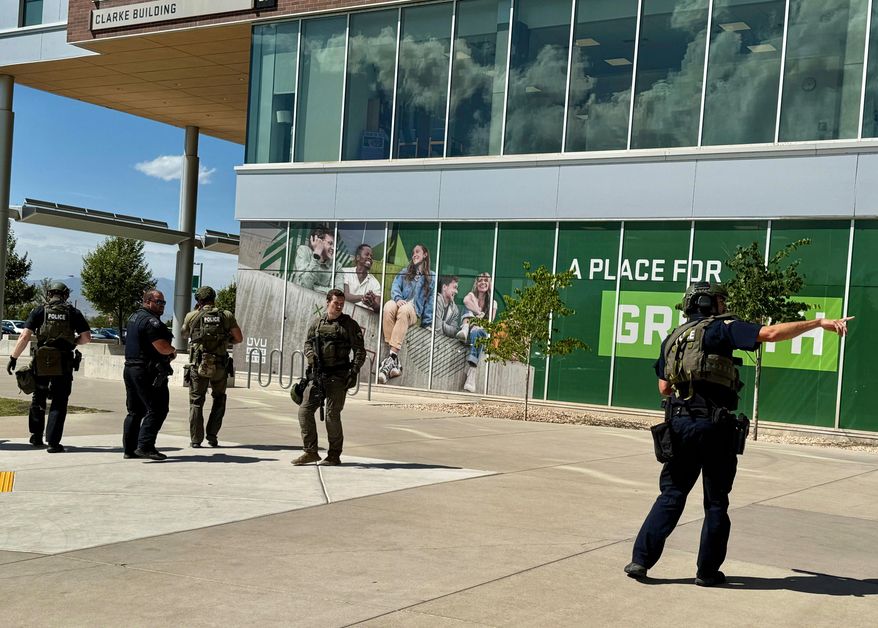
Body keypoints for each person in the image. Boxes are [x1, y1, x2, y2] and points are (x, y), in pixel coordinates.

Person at [625, 282, 853, 587]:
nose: (723, 305)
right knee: (716, 501)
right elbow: (770, 334)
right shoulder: (720, 329)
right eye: (719, 300)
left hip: (678, 424)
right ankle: (707, 572)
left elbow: (664, 387)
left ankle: (640, 561)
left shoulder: (673, 338)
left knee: (672, 494)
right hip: (713, 425)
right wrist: (818, 323)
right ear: (706, 302)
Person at [5, 282, 91, 452]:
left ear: (49, 293)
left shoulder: (39, 310)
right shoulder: (73, 312)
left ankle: (36, 436)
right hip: (63, 362)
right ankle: (53, 442)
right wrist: (72, 342)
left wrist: (13, 357)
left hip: (41, 362)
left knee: (38, 397)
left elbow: (24, 336)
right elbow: (87, 337)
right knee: (59, 401)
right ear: (65, 295)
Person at [293, 288, 366, 466]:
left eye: (342, 303)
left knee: (333, 415)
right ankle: (310, 451)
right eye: (336, 303)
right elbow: (308, 343)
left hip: (338, 376)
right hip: (318, 376)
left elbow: (359, 351)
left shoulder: (349, 325)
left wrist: (354, 371)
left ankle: (334, 455)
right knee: (304, 411)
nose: (339, 306)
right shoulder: (317, 323)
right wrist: (311, 356)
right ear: (328, 303)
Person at [182, 286, 243, 448]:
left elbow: (183, 335)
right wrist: (224, 340)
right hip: (220, 366)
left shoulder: (192, 316)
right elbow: (238, 338)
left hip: (199, 365)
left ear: (198, 300)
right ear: (214, 298)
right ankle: (212, 435)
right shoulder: (225, 315)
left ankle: (196, 439)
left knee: (196, 401)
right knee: (219, 398)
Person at [122, 290, 177, 461]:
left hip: (131, 368)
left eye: (163, 303)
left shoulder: (134, 317)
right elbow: (162, 347)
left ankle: (129, 449)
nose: (162, 306)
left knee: (135, 411)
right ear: (147, 301)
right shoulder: (151, 322)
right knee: (158, 409)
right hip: (146, 371)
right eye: (159, 302)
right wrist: (173, 351)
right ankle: (145, 446)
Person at [378, 243, 435, 383]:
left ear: (425, 254)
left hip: (413, 311)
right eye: (413, 253)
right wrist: (397, 299)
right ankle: (393, 360)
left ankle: (389, 359)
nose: (414, 254)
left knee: (404, 310)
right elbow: (396, 286)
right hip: (401, 304)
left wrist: (427, 323)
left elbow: (431, 301)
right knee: (388, 306)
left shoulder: (431, 276)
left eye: (417, 252)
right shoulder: (405, 271)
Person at [456, 273, 497, 392]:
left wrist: (477, 324)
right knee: (467, 306)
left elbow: (489, 324)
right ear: (476, 283)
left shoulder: (492, 303)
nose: (482, 283)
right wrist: (479, 313)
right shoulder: (471, 296)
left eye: (486, 280)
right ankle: (465, 327)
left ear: (489, 284)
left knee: (477, 333)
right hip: (467, 331)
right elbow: (465, 301)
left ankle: (472, 371)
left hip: (479, 333)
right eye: (480, 280)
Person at [291, 224, 343, 292]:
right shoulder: (304, 251)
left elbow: (338, 293)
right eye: (330, 243)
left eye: (335, 245)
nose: (334, 248)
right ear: (317, 241)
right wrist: (317, 255)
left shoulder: (336, 266)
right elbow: (304, 285)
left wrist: (313, 288)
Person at [342, 244, 381, 313]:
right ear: (358, 257)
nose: (370, 257)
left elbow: (378, 308)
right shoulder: (345, 272)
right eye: (367, 254)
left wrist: (372, 304)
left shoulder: (375, 283)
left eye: (371, 256)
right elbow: (344, 295)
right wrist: (363, 297)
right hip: (344, 313)